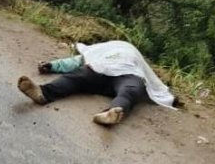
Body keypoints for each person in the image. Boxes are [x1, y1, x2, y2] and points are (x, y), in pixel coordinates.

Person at [17, 40, 177, 126]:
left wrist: (168, 95)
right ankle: (42, 93)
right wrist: (52, 65)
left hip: (127, 74)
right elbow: (77, 61)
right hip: (100, 71)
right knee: (76, 77)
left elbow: (149, 77)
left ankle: (111, 113)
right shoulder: (100, 50)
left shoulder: (132, 53)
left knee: (130, 91)